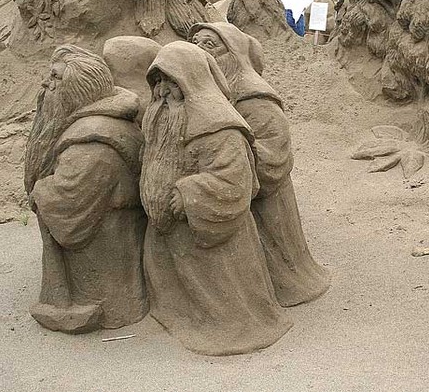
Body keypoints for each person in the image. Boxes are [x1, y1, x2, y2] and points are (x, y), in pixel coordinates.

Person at [140, 41, 292, 355]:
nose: (163, 91)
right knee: (179, 294)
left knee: (223, 300)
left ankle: (236, 328)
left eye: (172, 82)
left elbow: (234, 181)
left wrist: (188, 194)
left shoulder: (221, 128)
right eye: (158, 82)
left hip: (212, 239)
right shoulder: (157, 120)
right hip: (170, 237)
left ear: (192, 81)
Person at [189, 22, 330, 307]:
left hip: (265, 203)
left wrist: (232, 161)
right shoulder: (208, 96)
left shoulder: (255, 100)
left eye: (210, 45)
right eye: (196, 43)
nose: (200, 50)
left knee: (277, 263)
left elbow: (275, 159)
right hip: (232, 194)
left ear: (233, 55)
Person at [25, 45, 148, 333]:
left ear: (77, 89)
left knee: (109, 295)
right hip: (117, 244)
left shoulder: (91, 144)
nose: (45, 84)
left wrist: (41, 191)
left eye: (55, 78)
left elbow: (68, 201)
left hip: (105, 255)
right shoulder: (104, 123)